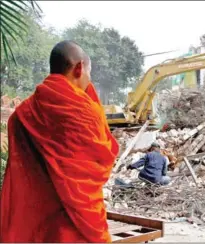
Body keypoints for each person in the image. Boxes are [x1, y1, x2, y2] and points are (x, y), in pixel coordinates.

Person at [0, 41, 119, 243]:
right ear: (80, 68)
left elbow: (21, 172)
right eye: (90, 73)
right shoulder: (85, 112)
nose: (90, 80)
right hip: (76, 225)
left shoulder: (22, 114)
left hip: (34, 223)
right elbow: (100, 165)